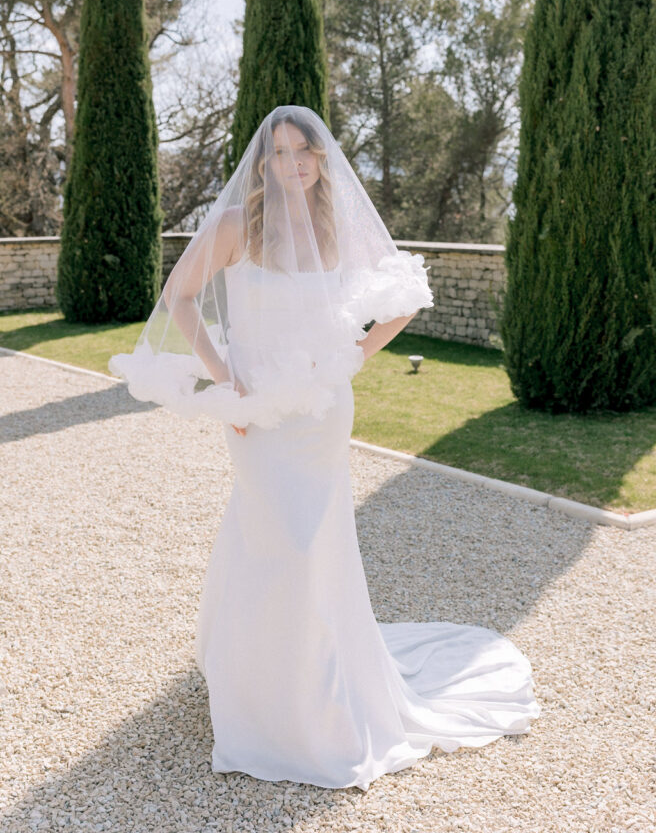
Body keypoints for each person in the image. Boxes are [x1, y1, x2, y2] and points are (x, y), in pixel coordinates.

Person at [109, 104, 541, 791]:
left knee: (313, 541)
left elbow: (403, 298)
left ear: (321, 157)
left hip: (320, 410)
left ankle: (310, 692)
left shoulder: (338, 225)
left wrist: (354, 354)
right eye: (279, 154)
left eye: (303, 151)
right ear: (263, 163)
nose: (293, 165)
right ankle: (254, 681)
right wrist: (228, 378)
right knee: (269, 533)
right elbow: (180, 297)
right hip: (258, 409)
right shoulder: (234, 226)